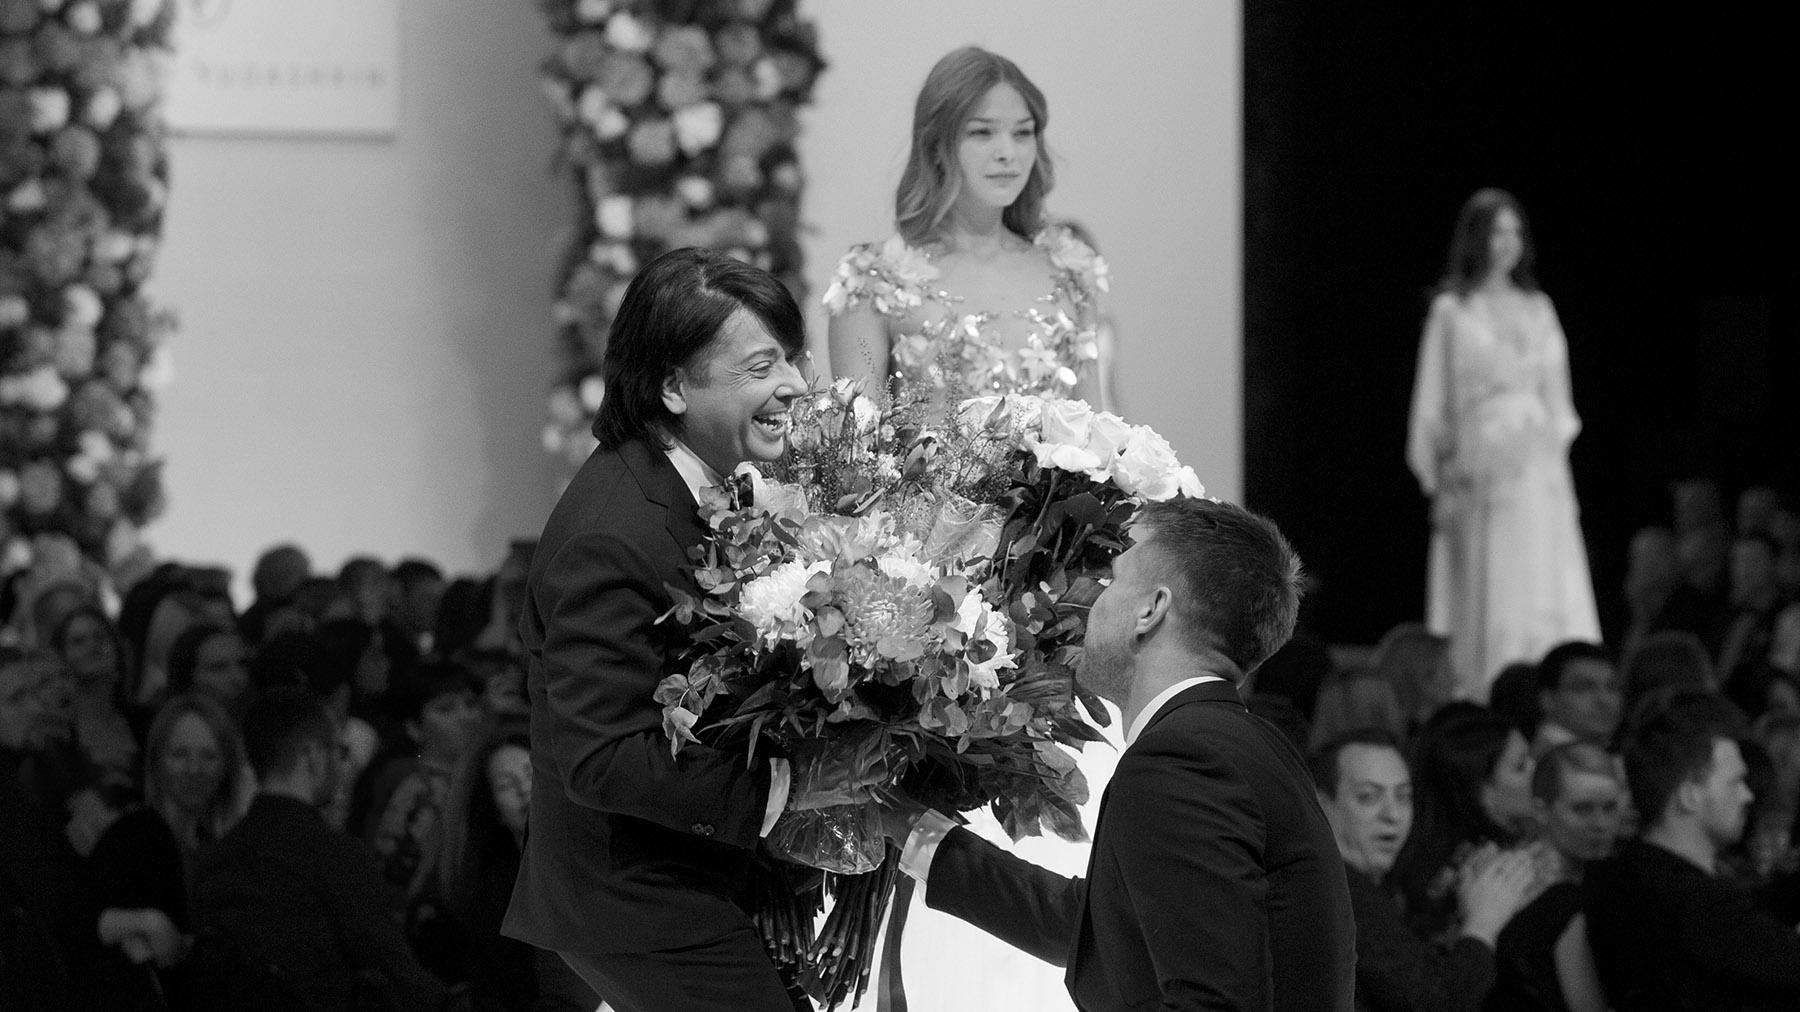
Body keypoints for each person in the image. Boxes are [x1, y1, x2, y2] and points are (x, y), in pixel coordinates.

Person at [501, 247, 872, 1012]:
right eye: (761, 366)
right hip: (636, 897)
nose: (795, 385)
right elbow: (600, 757)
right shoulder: (611, 532)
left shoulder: (706, 479)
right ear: (673, 386)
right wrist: (790, 785)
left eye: (792, 358)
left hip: (704, 871)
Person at [879, 496, 1356, 1011]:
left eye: (1110, 579)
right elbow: (1107, 931)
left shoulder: (1181, 760)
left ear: (1151, 610)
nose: (1092, 602)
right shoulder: (1245, 746)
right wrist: (905, 825)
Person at [825, 46, 1115, 422]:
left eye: (1023, 133)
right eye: (982, 132)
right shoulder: (873, 282)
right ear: (935, 144)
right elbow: (855, 448)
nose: (1007, 152)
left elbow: (1096, 435)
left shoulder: (1070, 271)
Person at [1407, 188, 1601, 699]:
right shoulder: (1454, 311)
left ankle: (1553, 686)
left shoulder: (1540, 308)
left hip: (1537, 469)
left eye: (1516, 232)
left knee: (1543, 581)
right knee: (1492, 583)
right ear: (1477, 238)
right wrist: (1440, 479)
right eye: (1497, 231)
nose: (1508, 242)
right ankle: (1490, 691)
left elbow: (1559, 400)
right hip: (1479, 469)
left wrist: (1549, 458)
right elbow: (1432, 404)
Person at [193, 686, 456, 1012]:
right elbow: (396, 974)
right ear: (312, 756)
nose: (341, 764)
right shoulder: (336, 856)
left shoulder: (213, 858)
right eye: (338, 750)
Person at [1584, 690, 1800, 1010]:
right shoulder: (1696, 904)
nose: (1748, 796)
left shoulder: (1620, 876)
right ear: (1690, 796)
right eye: (1736, 782)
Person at [1310, 728, 1534, 1012]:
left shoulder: (1348, 886)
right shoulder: (1340, 891)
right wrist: (1482, 925)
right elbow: (1437, 1003)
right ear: (1321, 806)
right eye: (1368, 797)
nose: (1392, 814)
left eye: (1403, 797)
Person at [1391, 702, 1546, 946]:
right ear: (1479, 789)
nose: (1536, 770)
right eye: (1520, 766)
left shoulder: (1431, 854)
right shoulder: (1490, 869)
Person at [1486, 742, 1623, 1012]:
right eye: (1583, 809)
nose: (1601, 824)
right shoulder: (1518, 887)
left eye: (1610, 808)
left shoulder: (1599, 877)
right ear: (1541, 811)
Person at [1533, 641, 1621, 754]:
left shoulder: (1609, 755)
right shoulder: (1545, 759)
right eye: (1584, 687)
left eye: (1612, 687)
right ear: (1548, 699)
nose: (1604, 700)